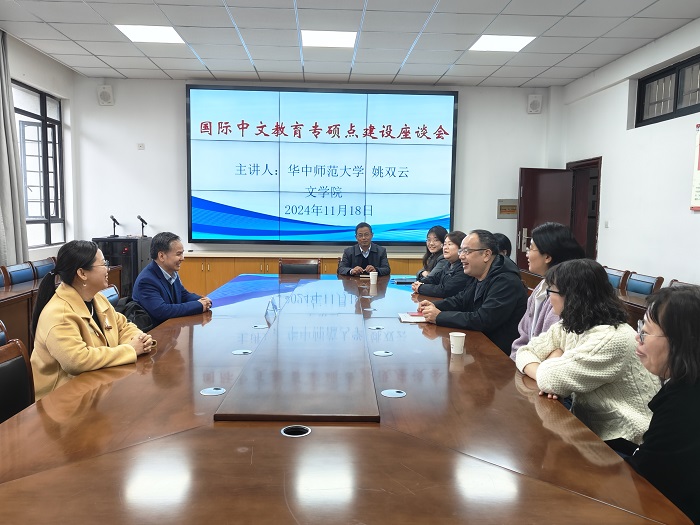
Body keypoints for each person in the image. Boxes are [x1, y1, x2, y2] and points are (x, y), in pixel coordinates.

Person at [515, 259, 660, 454]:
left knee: (538, 447)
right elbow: (525, 352)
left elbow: (551, 379)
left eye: (551, 291)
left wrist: (552, 371)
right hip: (590, 429)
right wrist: (553, 368)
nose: (549, 298)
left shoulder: (612, 338)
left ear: (572, 296)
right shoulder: (571, 325)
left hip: (625, 441)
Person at [31, 240, 154, 400]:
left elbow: (123, 326)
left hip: (98, 388)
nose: (108, 268)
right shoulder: (58, 314)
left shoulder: (97, 298)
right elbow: (77, 361)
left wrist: (139, 339)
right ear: (82, 273)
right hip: (63, 401)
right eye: (103, 264)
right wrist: (130, 350)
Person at [626, 286, 700, 524]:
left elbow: (647, 478)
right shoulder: (685, 385)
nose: (637, 337)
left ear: (681, 342)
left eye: (645, 332)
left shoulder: (684, 407)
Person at [419, 229, 527, 354]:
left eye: (467, 251)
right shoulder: (481, 273)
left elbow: (483, 319)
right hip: (480, 345)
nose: (461, 256)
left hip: (499, 354)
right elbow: (461, 300)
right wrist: (434, 305)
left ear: (486, 254)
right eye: (461, 251)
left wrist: (439, 316)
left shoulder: (506, 281)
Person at [510, 222, 586, 361]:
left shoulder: (564, 293)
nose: (527, 254)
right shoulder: (542, 286)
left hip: (542, 367)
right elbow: (523, 335)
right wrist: (517, 359)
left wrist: (525, 361)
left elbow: (554, 348)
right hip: (527, 363)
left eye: (531, 248)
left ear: (547, 257)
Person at [132, 232, 212, 326]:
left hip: (171, 327)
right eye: (178, 254)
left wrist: (203, 300)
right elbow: (162, 311)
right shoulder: (146, 281)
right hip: (155, 331)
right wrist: (199, 305)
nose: (182, 258)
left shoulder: (172, 272)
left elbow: (183, 295)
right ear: (161, 256)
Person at [411, 230, 469, 298]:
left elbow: (445, 290)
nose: (445, 247)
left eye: (449, 244)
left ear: (461, 248)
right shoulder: (448, 264)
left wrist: (420, 288)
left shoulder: (464, 267)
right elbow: (434, 278)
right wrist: (419, 283)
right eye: (445, 244)